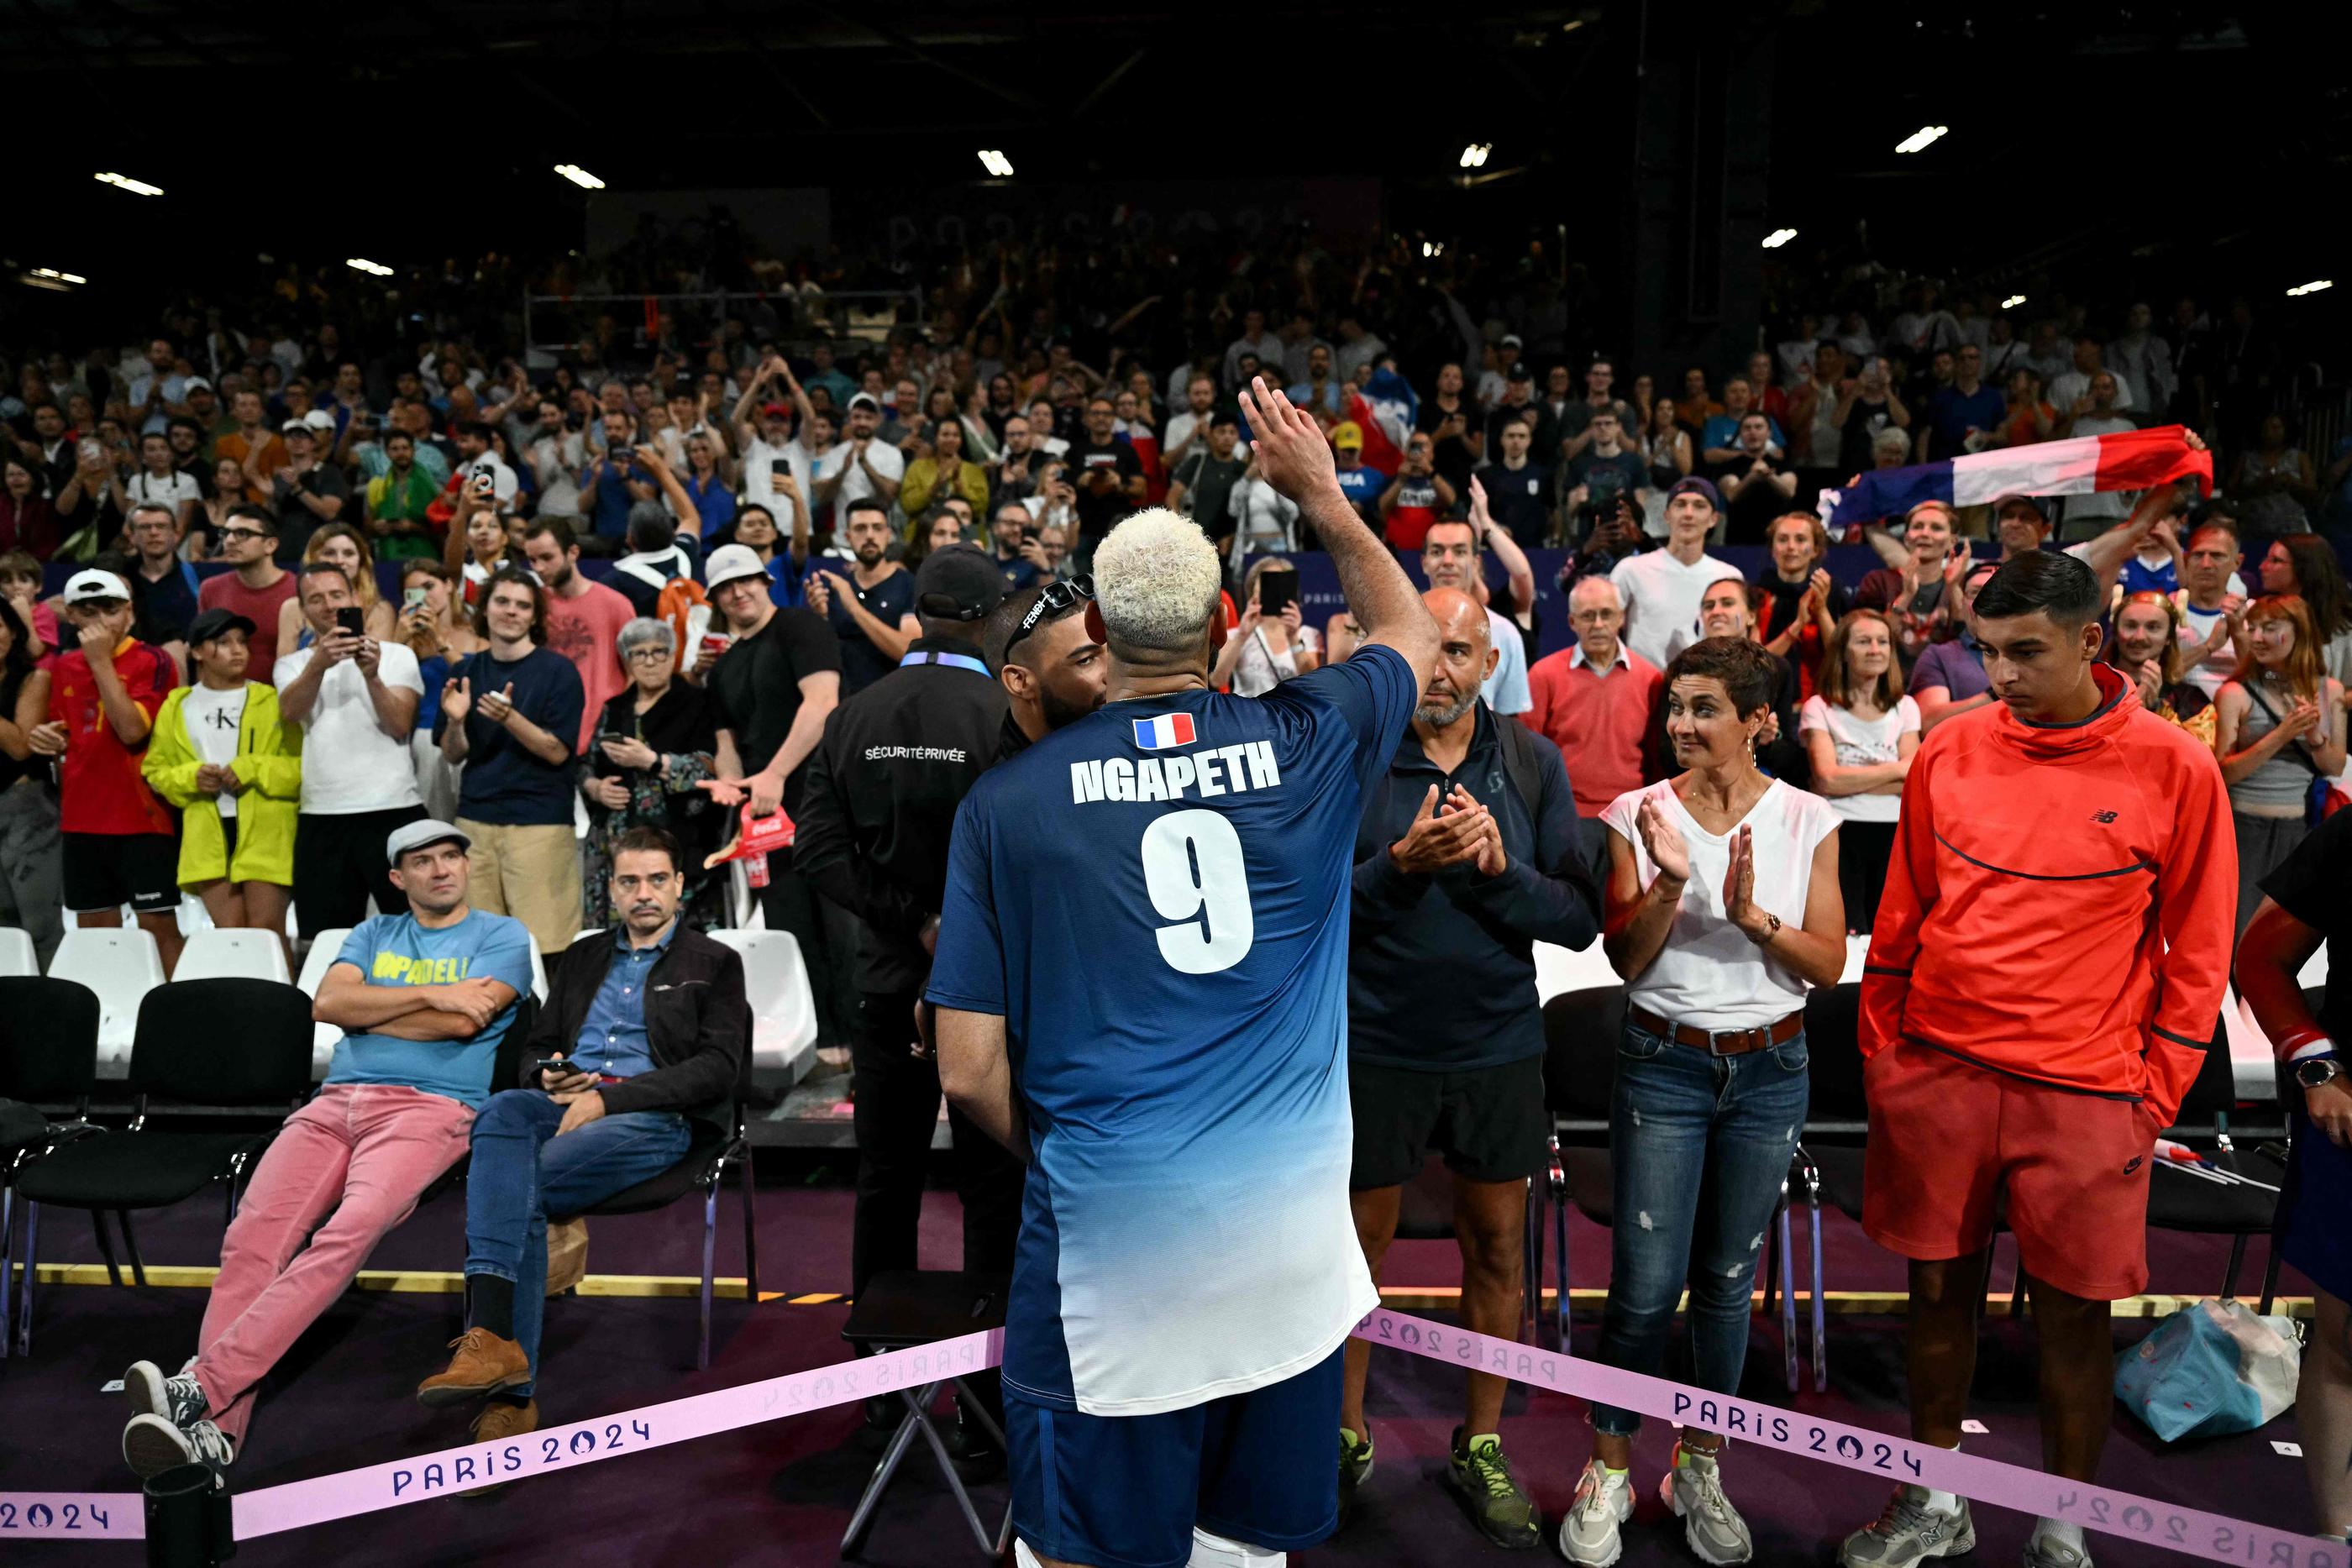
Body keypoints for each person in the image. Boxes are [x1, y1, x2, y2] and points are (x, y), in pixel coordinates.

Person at [929, 379, 1438, 1568]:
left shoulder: (1007, 802)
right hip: (1288, 1266)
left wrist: (1074, 1153)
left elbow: (964, 1067)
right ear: (1220, 620)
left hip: (1115, 1265)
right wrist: (1323, 494)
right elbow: (1409, 630)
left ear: (1096, 638)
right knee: (1245, 1552)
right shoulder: (1308, 743)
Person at [1840, 549, 2235, 1568]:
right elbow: (1901, 914)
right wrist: (1885, 1051)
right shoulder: (1947, 748)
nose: (2001, 675)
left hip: (2089, 1096)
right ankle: (1935, 1496)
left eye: (2024, 652)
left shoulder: (2174, 765)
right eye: (1985, 652)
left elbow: (2197, 949)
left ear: (2090, 643)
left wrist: (2151, 1097)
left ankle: (2062, 1525)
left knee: (2072, 1319)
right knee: (1934, 1298)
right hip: (1939, 1078)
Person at [117, 821, 533, 1476]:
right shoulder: (371, 933)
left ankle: (201, 1385)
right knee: (252, 1239)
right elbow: (329, 1003)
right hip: (334, 1102)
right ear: (398, 879)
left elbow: (467, 1019)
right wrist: (429, 991)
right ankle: (215, 1434)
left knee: (349, 1229)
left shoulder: (502, 935)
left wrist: (376, 1009)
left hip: (430, 1108)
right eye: (423, 861)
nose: (442, 869)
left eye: (451, 856)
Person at [1562, 636, 1845, 1567]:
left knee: (1726, 1284)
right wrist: (1675, 881)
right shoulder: (1635, 812)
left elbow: (1826, 965)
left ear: (1758, 720)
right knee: (1644, 1286)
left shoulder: (1808, 819)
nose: (1680, 723)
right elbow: (1624, 959)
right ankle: (1607, 1467)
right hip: (1662, 1067)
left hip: (1772, 1069)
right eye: (1675, 706)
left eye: (1703, 708)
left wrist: (1757, 918)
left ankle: (1699, 1463)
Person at [1341, 587, 1600, 1547]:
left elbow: (1576, 918)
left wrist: (1501, 872)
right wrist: (1397, 867)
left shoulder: (1532, 764)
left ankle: (1481, 1441)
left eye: (1457, 652)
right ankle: (1344, 1431)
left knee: (1498, 1251)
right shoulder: (1357, 756)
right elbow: (1308, 907)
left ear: (1489, 663)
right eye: (1424, 651)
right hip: (1373, 1043)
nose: (1438, 670)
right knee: (1351, 1258)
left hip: (1498, 1048)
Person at [795, 548, 1025, 1460]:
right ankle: (987, 1406)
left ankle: (880, 1398)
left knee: (883, 1183)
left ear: (920, 611)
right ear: (988, 616)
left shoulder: (855, 714)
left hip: (890, 982)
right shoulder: (1007, 713)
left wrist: (912, 919)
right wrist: (953, 927)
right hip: (992, 994)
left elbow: (816, 851)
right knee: (992, 1189)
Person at [415, 826, 747, 1449]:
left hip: (656, 1118)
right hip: (566, 1103)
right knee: (503, 1112)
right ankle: (493, 1342)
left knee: (523, 1186)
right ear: (611, 889)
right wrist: (549, 1073)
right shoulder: (584, 955)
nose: (643, 893)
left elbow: (718, 1070)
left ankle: (509, 1387)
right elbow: (537, 1046)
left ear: (679, 885)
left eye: (656, 879)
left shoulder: (715, 963)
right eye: (629, 881)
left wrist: (607, 1098)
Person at [2234, 817, 2352, 1548]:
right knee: (2344, 1344)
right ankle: (2336, 1536)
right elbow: (2260, 957)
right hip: (2349, 1130)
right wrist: (2317, 1063)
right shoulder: (2349, 840)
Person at [701, 543, 847, 1041]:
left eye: (744, 580)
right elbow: (726, 743)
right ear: (716, 599)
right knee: (788, 923)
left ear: (766, 581)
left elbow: (823, 703)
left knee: (841, 922)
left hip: (823, 799)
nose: (737, 592)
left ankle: (858, 1040)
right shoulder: (721, 668)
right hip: (764, 815)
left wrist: (776, 773)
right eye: (725, 586)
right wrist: (733, 788)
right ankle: (819, 1036)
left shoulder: (801, 627)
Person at [25, 569, 184, 975]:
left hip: (142, 816)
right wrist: (48, 736)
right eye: (87, 611)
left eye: (110, 610)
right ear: (72, 616)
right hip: (82, 818)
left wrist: (99, 663)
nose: (99, 622)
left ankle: (178, 1017)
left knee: (157, 928)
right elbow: (65, 728)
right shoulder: (63, 667)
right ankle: (107, 1016)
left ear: (129, 612)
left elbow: (132, 730)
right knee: (95, 931)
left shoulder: (155, 660)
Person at [276, 560, 429, 936]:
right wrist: (318, 665)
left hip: (394, 808)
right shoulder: (290, 665)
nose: (328, 605)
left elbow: (399, 724)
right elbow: (291, 712)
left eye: (336, 595)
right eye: (316, 599)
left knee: (416, 930)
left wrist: (372, 675)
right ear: (304, 609)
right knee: (326, 938)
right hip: (323, 814)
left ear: (355, 598)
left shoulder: (396, 656)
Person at [439, 568, 588, 957]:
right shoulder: (465, 671)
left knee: (549, 947)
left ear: (535, 617)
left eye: (523, 606)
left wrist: (510, 718)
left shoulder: (559, 672)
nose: (511, 612)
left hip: (539, 825)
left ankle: (550, 1020)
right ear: (484, 608)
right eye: (502, 601)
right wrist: (456, 721)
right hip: (475, 822)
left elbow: (558, 751)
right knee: (481, 950)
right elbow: (453, 753)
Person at [142, 609, 299, 943]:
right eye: (223, 642)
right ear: (196, 651)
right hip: (206, 835)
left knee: (268, 935)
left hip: (267, 831)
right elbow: (156, 771)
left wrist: (252, 768)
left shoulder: (272, 700)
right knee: (231, 938)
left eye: (242, 642)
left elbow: (301, 769)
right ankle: (240, 998)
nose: (237, 650)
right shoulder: (177, 704)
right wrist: (191, 777)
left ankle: (280, 997)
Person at [2213, 593, 2347, 938]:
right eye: (2252, 628)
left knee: (2282, 936)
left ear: (2299, 631)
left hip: (2300, 830)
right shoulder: (2235, 692)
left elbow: (2333, 766)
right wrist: (2283, 734)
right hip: (2244, 827)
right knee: (2236, 931)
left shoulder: (2329, 691)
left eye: (2269, 628)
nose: (2256, 638)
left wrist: (2315, 735)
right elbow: (2223, 772)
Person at [580, 618, 723, 931]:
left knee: (682, 940)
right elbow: (586, 765)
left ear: (673, 656)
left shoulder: (697, 702)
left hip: (680, 838)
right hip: (615, 841)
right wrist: (595, 787)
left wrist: (653, 761)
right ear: (627, 660)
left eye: (659, 652)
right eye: (639, 653)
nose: (649, 661)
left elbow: (712, 767)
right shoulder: (614, 708)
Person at [1799, 609, 1920, 932]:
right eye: (1864, 642)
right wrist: (1896, 769)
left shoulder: (1906, 707)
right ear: (1843, 652)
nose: (1875, 650)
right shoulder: (1820, 707)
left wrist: (1849, 778)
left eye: (1883, 642)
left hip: (1894, 832)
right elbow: (1826, 778)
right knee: (1845, 930)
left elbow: (1914, 779)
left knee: (1889, 931)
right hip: (1839, 831)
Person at [1524, 576, 1664, 819]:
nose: (1598, 624)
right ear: (1572, 621)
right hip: (1564, 814)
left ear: (1621, 618)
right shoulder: (1543, 675)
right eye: (1588, 616)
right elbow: (1527, 756)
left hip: (1633, 814)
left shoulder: (1651, 679)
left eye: (1606, 614)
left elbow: (1658, 759)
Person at [520, 517, 636, 753]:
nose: (539, 568)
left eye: (547, 557)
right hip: (546, 733)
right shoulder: (530, 606)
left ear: (573, 552)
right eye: (532, 560)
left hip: (602, 735)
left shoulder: (616, 605)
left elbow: (635, 673)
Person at [1421, 501, 1536, 716]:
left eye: (1459, 551)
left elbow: (1510, 719)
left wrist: (1486, 523)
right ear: (1424, 562)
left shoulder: (1504, 633)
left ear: (1476, 563)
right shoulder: (1400, 628)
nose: (1448, 561)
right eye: (1437, 551)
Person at [1609, 477, 1734, 669]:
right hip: (1644, 690)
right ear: (1667, 515)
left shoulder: (1728, 577)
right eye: (1680, 505)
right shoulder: (1630, 570)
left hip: (1707, 688)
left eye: (1699, 506)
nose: (1688, 514)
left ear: (1713, 519)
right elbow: (1608, 631)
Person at [0, 595, 62, 966]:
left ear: (13, 632)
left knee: (40, 924)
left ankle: (53, 1009)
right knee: (3, 926)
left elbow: (22, 746)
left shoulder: (35, 678)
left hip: (26, 809)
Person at [983, 577, 1108, 762]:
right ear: (1019, 681)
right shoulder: (1002, 787)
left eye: (1114, 651)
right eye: (1086, 660)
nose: (1114, 672)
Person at [804, 497, 919, 696]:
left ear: (889, 535)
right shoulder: (835, 589)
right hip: (845, 706)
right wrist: (822, 618)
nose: (869, 535)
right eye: (860, 528)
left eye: (877, 527)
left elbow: (910, 653)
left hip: (893, 702)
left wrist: (854, 608)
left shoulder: (909, 585)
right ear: (848, 536)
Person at [1854, 501, 1968, 679]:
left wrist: (1953, 587)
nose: (1925, 533)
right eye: (1918, 527)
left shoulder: (1963, 585)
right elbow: (1865, 640)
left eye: (1936, 528)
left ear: (1952, 541)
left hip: (1943, 688)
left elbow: (1968, 638)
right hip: (1887, 687)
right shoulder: (1878, 581)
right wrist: (1906, 597)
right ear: (1907, 538)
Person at [197, 505, 298, 678]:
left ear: (270, 545)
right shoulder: (210, 589)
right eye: (225, 533)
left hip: (283, 698)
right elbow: (204, 658)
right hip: (226, 699)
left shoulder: (298, 590)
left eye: (242, 534)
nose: (229, 541)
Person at [274, 522, 398, 659]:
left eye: (348, 553)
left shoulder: (379, 609)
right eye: (329, 553)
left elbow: (381, 666)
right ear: (313, 558)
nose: (339, 561)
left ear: (361, 561)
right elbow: (284, 667)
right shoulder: (292, 608)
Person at [1755, 511, 1846, 697]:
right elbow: (1753, 662)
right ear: (1773, 549)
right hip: (1765, 699)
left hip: (1819, 701)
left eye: (1800, 539)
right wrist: (1798, 625)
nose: (1791, 547)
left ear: (1815, 550)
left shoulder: (1831, 591)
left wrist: (1820, 610)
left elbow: (1841, 657)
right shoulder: (1757, 594)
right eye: (1782, 539)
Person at [2106, 590, 2214, 743]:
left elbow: (2199, 758)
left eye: (2153, 627)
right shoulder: (2093, 688)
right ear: (2116, 633)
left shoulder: (2191, 699)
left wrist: (2158, 712)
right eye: (2130, 626)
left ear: (2169, 637)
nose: (2139, 636)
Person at [1911, 559, 2003, 732]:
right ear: (1962, 602)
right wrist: (1995, 696)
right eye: (1975, 592)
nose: (1985, 599)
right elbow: (1928, 723)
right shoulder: (1939, 656)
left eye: (1996, 591)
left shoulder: (2035, 652)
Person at [1212, 555, 1322, 697]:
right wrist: (1242, 636)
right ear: (1254, 592)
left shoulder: (1308, 635)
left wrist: (1293, 638)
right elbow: (1216, 680)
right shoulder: (1237, 636)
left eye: (1280, 585)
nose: (1273, 592)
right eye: (1267, 585)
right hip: (1250, 715)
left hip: (1291, 715)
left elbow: (1312, 683)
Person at [2256, 532, 2352, 687]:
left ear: (2305, 568)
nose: (2262, 567)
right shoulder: (2263, 613)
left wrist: (2329, 701)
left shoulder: (2344, 626)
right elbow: (2258, 676)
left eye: (2275, 560)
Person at [2173, 520, 2247, 698]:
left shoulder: (2253, 613)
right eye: (2198, 555)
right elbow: (2155, 675)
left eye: (2217, 556)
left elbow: (2264, 678)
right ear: (2185, 559)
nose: (2206, 564)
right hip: (2173, 713)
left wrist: (2238, 634)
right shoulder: (2163, 611)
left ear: (2237, 562)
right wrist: (2208, 647)